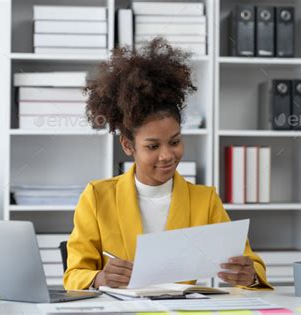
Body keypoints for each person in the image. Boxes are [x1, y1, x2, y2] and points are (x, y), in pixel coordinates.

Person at [63, 38, 273, 291]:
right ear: (128, 146)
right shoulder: (97, 197)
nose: (167, 155)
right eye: (153, 146)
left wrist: (248, 275)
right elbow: (74, 275)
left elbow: (251, 264)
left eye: (174, 142)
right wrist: (99, 279)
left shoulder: (204, 200)